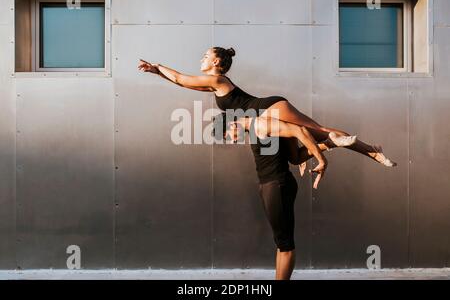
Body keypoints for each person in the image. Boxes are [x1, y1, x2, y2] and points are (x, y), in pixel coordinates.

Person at [137, 46, 397, 184]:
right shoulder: (213, 83)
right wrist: (157, 72)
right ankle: (336, 145)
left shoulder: (217, 80)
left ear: (216, 62)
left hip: (268, 108)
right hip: (264, 114)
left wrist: (157, 67)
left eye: (206, 56)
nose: (201, 58)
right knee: (297, 156)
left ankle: (372, 151)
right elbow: (182, 82)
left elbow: (182, 79)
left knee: (319, 130)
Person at [211, 112, 355, 279]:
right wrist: (325, 145)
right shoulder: (253, 128)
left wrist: (321, 160)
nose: (233, 140)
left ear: (231, 124)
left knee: (285, 246)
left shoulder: (260, 125)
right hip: (270, 186)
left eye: (227, 135)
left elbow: (300, 130)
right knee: (281, 244)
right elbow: (293, 155)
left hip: (277, 186)